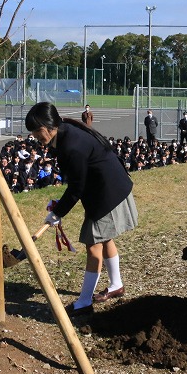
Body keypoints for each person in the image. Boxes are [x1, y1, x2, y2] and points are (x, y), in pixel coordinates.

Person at [26, 102, 138, 317]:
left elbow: (77, 187)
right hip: (108, 188)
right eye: (32, 132)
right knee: (104, 239)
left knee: (93, 246)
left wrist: (58, 213)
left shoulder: (72, 145)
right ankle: (116, 285)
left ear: (50, 126)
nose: (35, 136)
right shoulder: (66, 129)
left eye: (37, 131)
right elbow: (79, 182)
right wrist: (59, 207)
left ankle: (85, 302)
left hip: (108, 194)